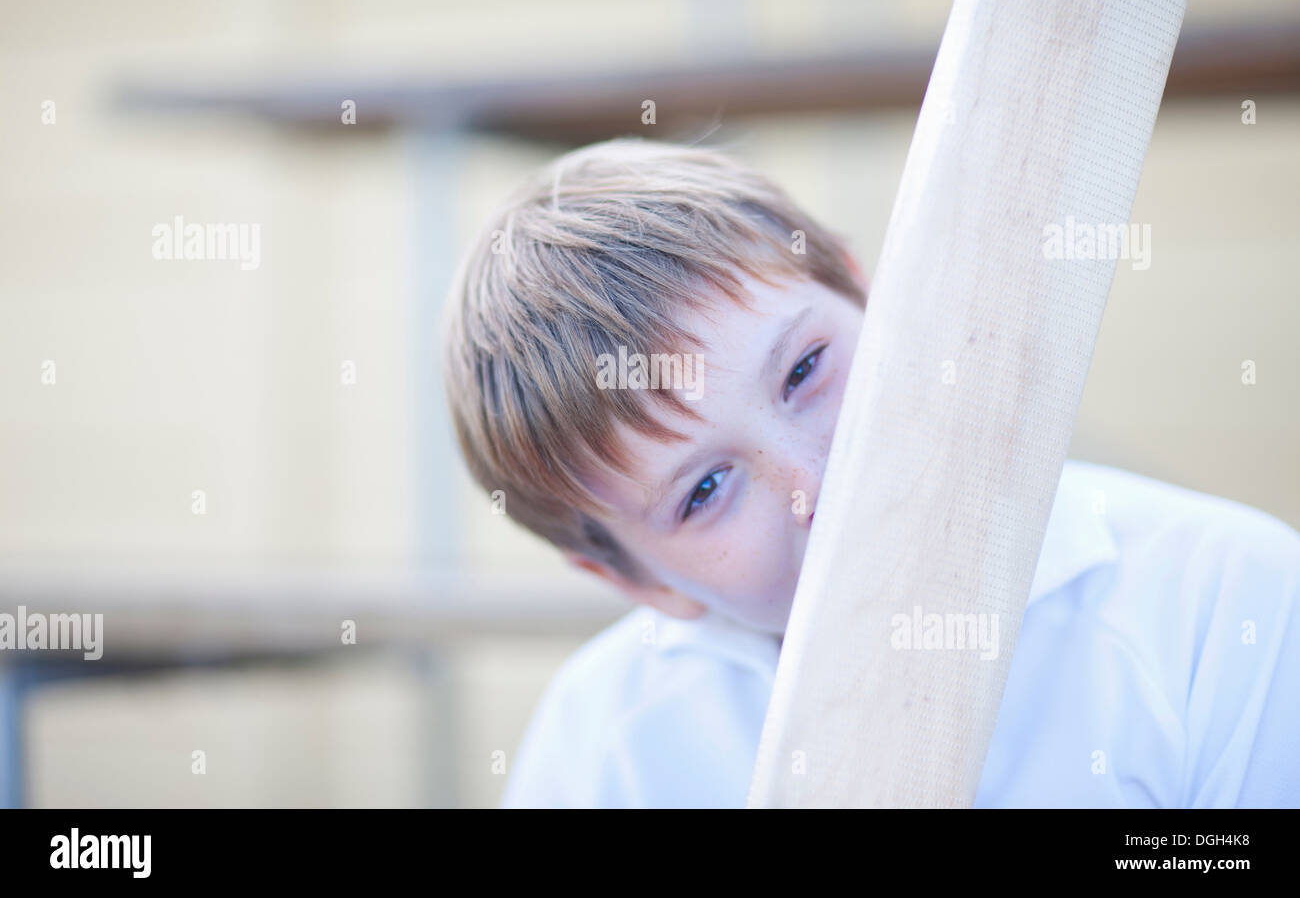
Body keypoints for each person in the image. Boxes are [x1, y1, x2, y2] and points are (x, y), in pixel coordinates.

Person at [440, 138, 1300, 807]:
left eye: (804, 371)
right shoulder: (606, 745)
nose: (819, 480)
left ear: (871, 293)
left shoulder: (1223, 603)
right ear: (633, 581)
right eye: (704, 491)